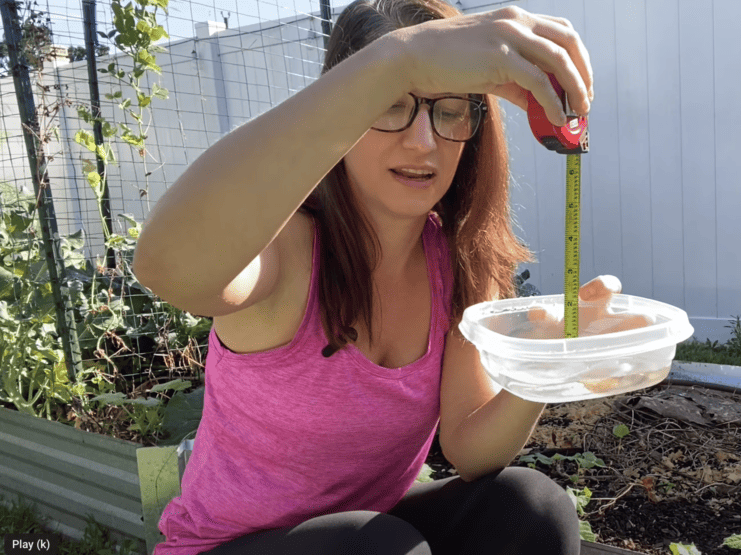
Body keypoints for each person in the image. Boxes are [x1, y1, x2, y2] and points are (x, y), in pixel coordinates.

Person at [132, 1, 638, 553]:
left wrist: (541, 365)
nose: (423, 142)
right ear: (340, 115)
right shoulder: (284, 251)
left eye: (447, 109)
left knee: (529, 511)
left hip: (370, 533)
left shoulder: (459, 261)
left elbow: (470, 446)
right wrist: (400, 58)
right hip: (228, 545)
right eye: (390, 103)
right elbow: (166, 268)